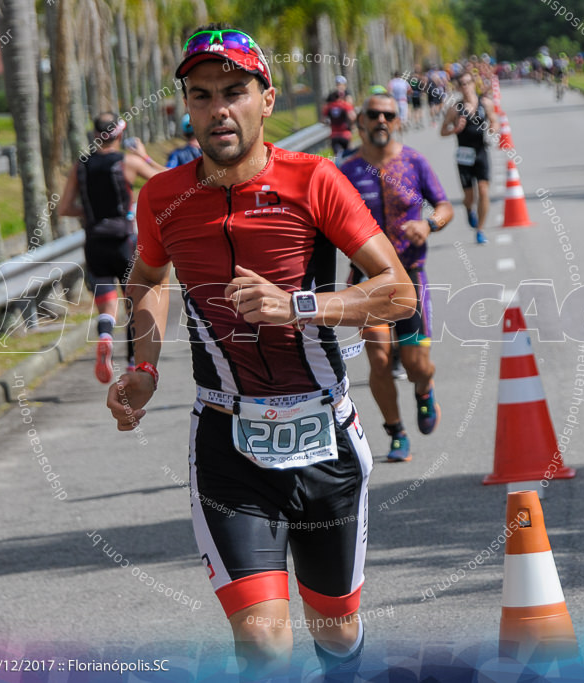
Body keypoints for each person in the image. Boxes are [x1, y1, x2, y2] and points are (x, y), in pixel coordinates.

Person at [105, 24, 415, 682]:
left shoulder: (315, 180)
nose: (219, 108)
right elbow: (147, 280)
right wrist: (143, 366)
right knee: (263, 642)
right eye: (202, 95)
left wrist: (297, 305)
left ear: (266, 99)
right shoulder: (163, 195)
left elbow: (398, 292)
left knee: (335, 631)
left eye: (236, 91)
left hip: (325, 436)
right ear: (185, 107)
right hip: (228, 440)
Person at [339, 91, 453, 463]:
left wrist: (429, 224)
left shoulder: (413, 162)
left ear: (397, 120)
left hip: (410, 279)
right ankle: (396, 431)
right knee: (378, 360)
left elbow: (444, 205)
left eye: (388, 115)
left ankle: (424, 387)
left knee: (417, 362)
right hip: (366, 282)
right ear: (361, 122)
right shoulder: (345, 171)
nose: (381, 121)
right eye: (373, 115)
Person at [57, 112, 164, 383]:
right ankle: (131, 366)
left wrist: (92, 212)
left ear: (95, 135)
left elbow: (65, 207)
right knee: (132, 304)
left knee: (106, 305)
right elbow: (167, 182)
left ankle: (105, 334)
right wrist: (146, 157)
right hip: (124, 241)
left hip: (94, 241)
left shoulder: (80, 166)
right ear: (119, 135)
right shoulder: (128, 161)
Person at [440, 71, 497, 245]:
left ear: (474, 84)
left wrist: (493, 129)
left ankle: (480, 230)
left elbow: (494, 121)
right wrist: (454, 129)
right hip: (464, 156)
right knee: (469, 197)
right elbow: (442, 131)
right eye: (461, 84)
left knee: (484, 189)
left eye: (468, 83)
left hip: (480, 152)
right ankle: (468, 209)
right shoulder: (454, 109)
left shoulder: (485, 103)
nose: (465, 87)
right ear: (457, 88)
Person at [322, 91, 356, 159]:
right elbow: (352, 116)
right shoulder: (345, 105)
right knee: (349, 155)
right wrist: (352, 125)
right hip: (345, 134)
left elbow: (323, 120)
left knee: (336, 157)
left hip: (334, 135)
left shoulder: (328, 107)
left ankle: (338, 166)